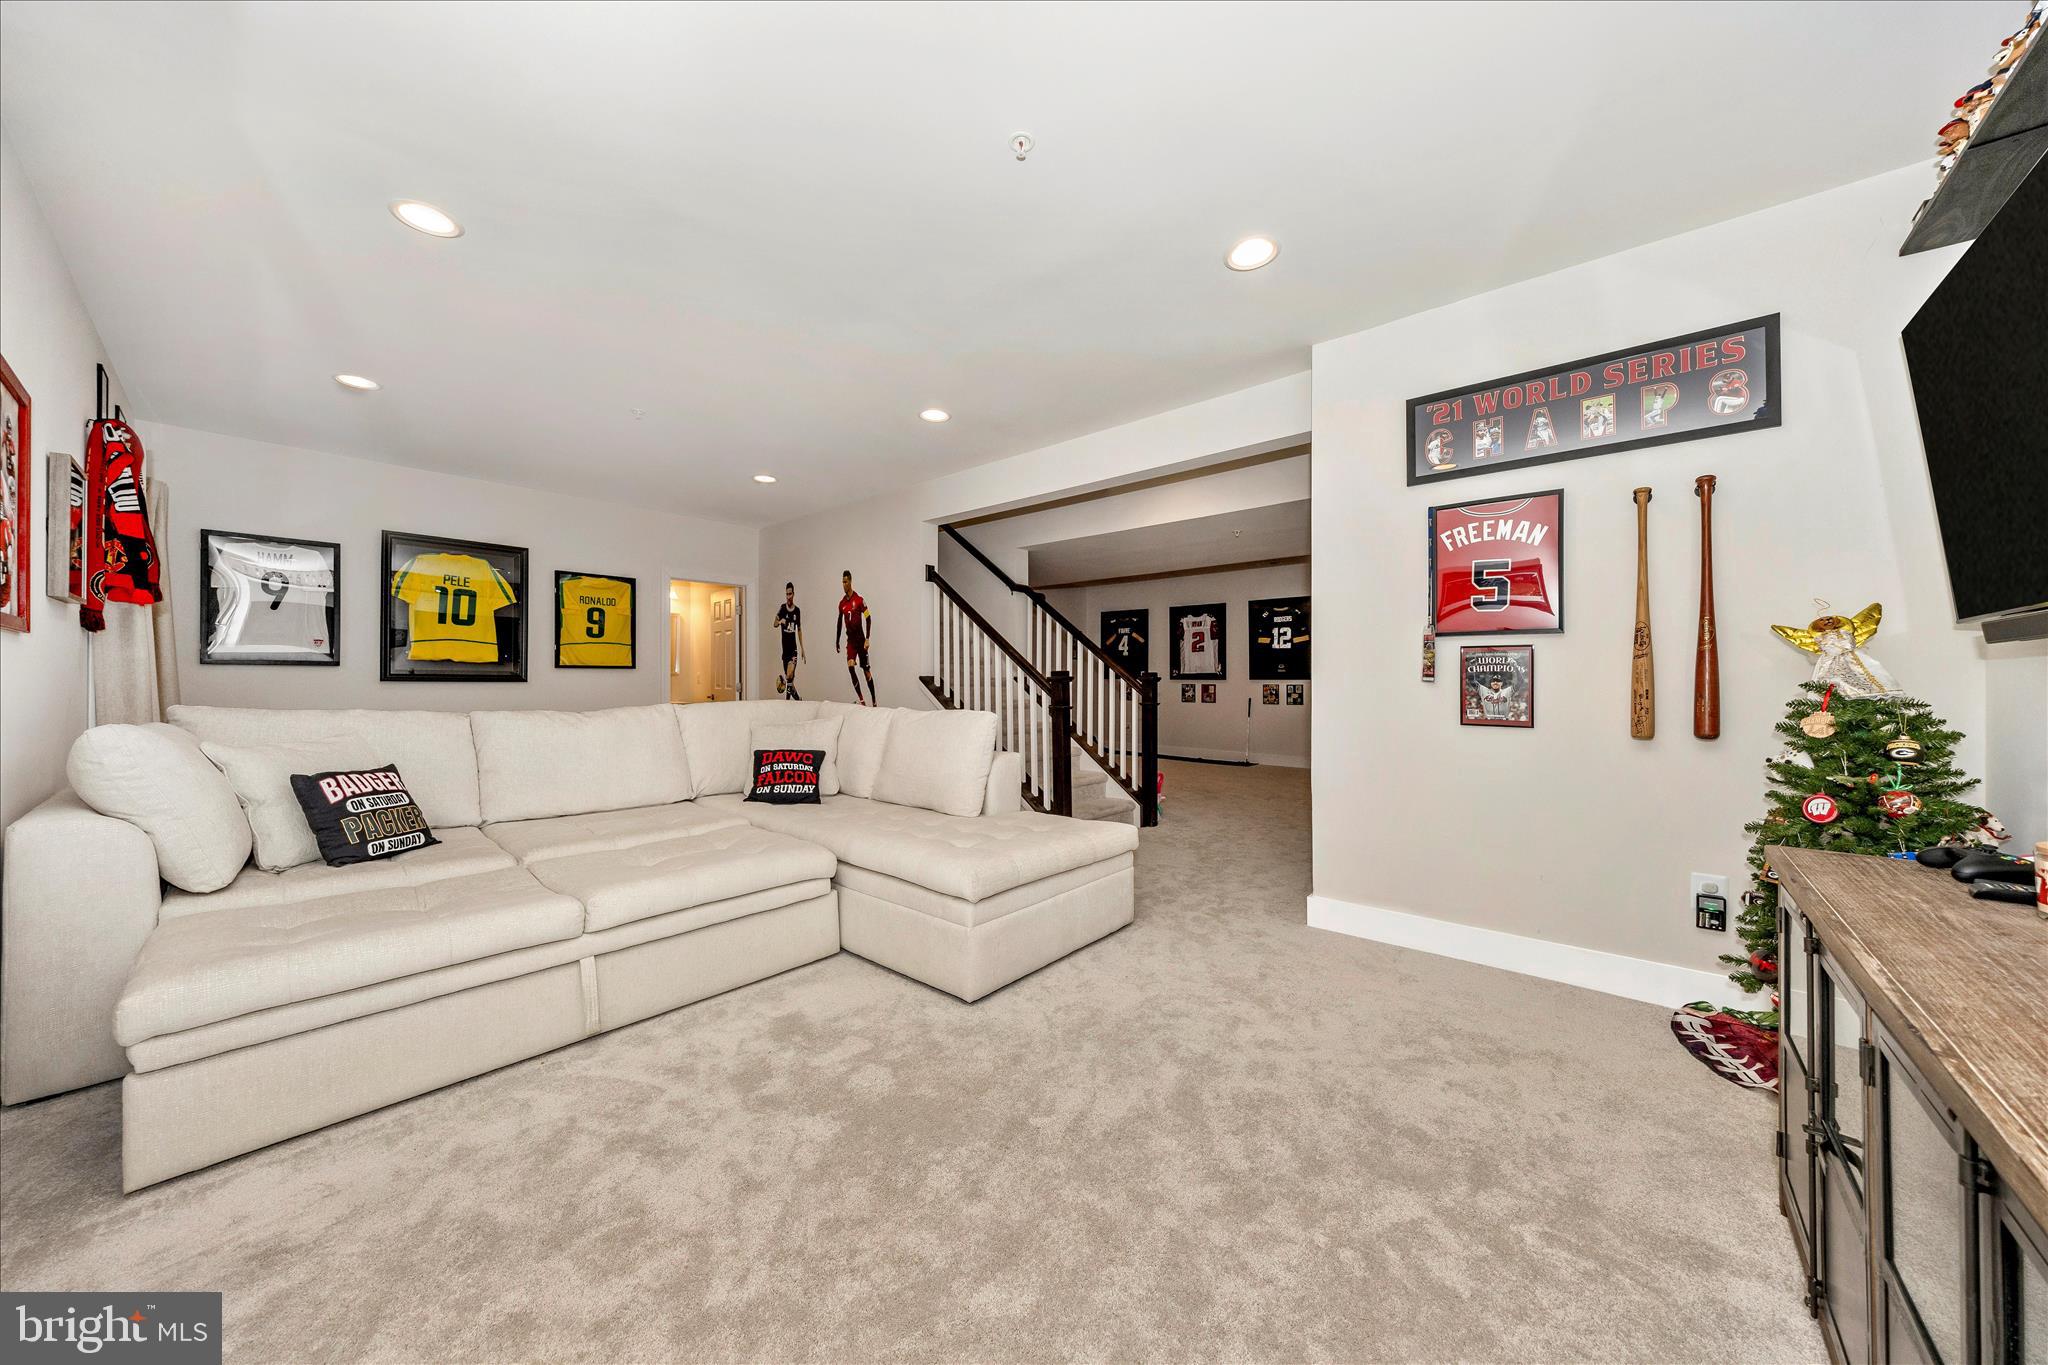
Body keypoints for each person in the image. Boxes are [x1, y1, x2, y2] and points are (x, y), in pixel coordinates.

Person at [835, 569, 875, 705]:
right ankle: (862, 700)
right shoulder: (842, 604)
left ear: (850, 582)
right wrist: (837, 640)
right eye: (842, 582)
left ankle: (874, 702)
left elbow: (868, 618)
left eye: (846, 582)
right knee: (850, 666)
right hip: (851, 642)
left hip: (861, 641)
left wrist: (867, 638)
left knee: (867, 672)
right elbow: (839, 623)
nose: (844, 584)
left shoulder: (859, 600)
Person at [774, 581, 805, 699]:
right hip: (785, 651)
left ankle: (788, 701)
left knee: (789, 675)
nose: (788, 597)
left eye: (790, 594)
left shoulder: (797, 611)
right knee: (790, 681)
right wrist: (779, 621)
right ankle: (797, 700)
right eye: (787, 594)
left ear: (793, 594)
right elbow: (774, 623)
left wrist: (802, 648)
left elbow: (799, 630)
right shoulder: (782, 608)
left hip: (793, 650)